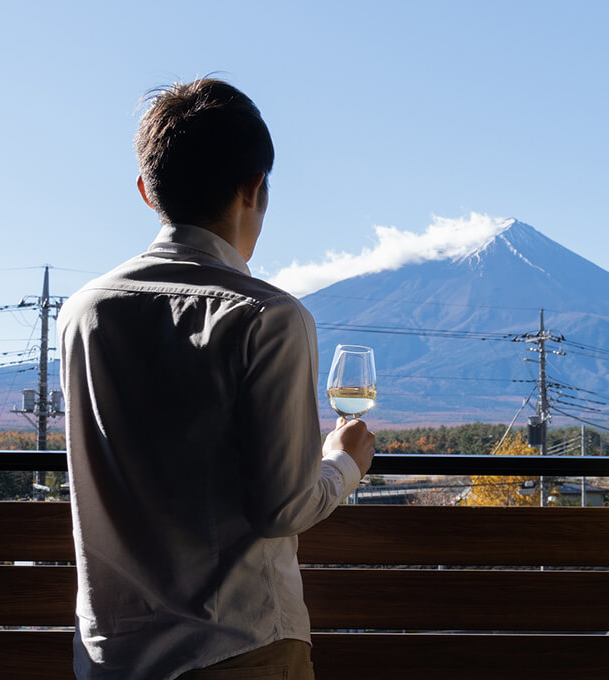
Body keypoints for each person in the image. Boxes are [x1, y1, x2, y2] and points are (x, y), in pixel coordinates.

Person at [60, 78, 375, 680]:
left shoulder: (83, 313)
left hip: (109, 655)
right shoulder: (268, 316)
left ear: (146, 191)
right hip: (238, 647)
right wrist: (344, 462)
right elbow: (283, 508)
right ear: (253, 188)